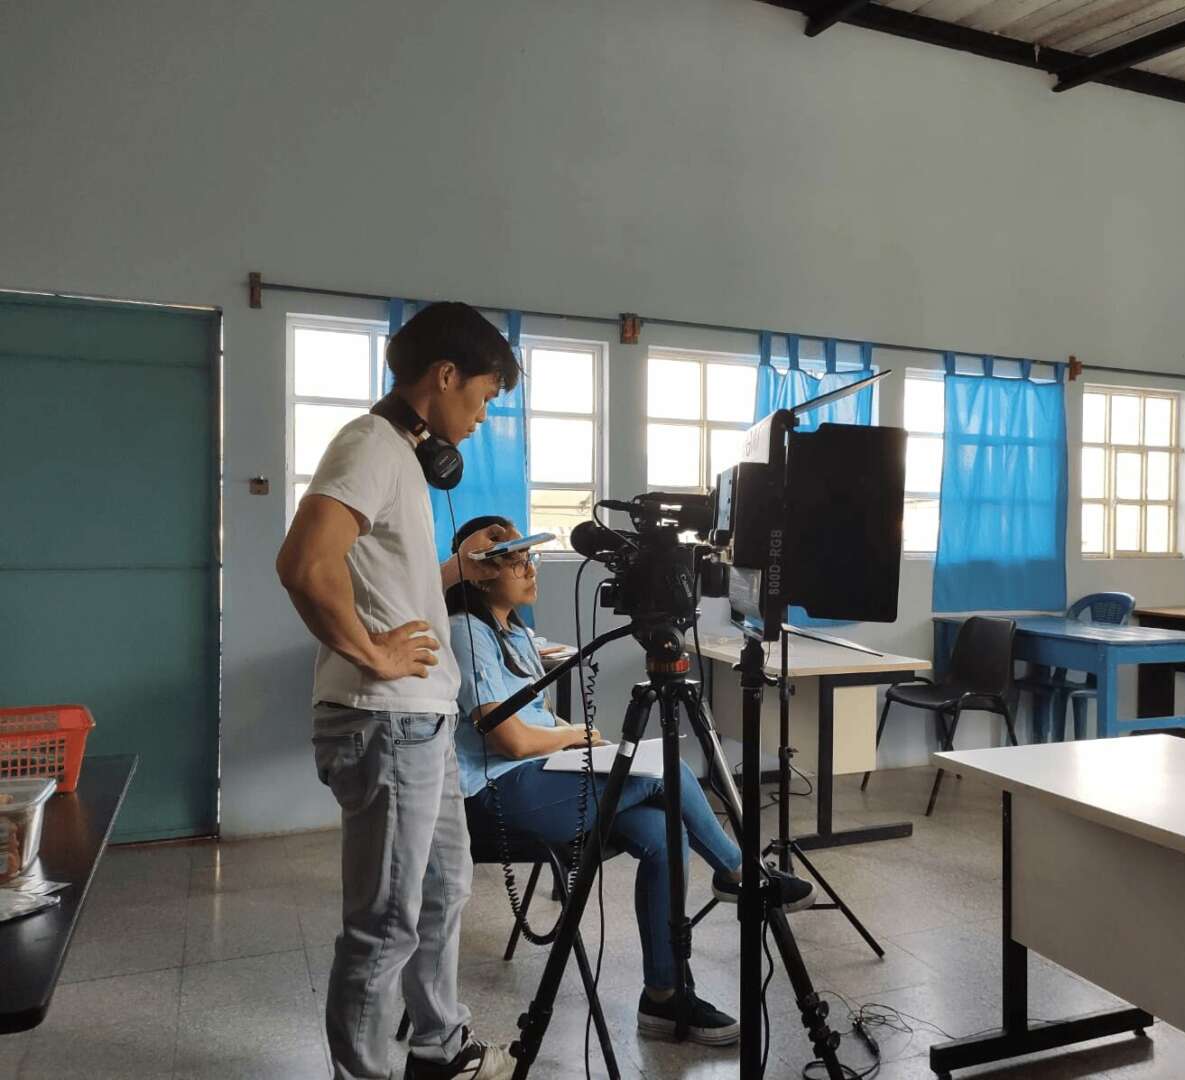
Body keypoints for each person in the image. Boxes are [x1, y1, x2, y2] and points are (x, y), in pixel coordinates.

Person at [444, 516, 817, 1047]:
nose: (529, 568)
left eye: (530, 557)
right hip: (496, 795)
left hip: (541, 779)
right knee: (670, 769)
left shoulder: (516, 633)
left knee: (665, 834)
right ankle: (740, 872)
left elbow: (535, 725)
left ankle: (663, 997)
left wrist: (577, 739)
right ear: (479, 575)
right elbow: (512, 741)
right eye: (514, 560)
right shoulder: (465, 633)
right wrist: (575, 736)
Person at [276, 303, 521, 1080]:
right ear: (445, 376)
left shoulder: (402, 457)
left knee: (445, 892)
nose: (483, 417)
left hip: (424, 721)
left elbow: (384, 577)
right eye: (483, 396)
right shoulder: (370, 444)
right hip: (385, 721)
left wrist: (458, 571)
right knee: (385, 922)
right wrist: (370, 652)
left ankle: (437, 1045)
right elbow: (304, 563)